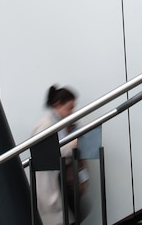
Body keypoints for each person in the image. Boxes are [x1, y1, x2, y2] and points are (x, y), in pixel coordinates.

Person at [32, 85, 89, 225]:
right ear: (57, 105)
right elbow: (44, 154)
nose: (72, 111)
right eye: (69, 107)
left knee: (75, 214)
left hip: (65, 181)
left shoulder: (65, 124)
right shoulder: (45, 126)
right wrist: (71, 146)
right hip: (55, 184)